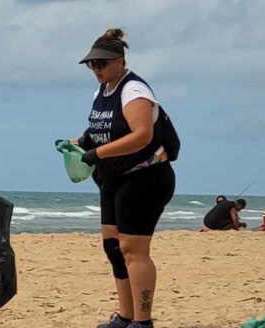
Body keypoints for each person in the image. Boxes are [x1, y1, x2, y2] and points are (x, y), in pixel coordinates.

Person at [71, 28, 176, 328]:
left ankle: (142, 321)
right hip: (112, 179)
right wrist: (79, 143)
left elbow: (142, 136)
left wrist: (98, 154)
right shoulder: (102, 91)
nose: (96, 70)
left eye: (101, 64)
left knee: (134, 250)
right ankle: (126, 315)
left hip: (145, 178)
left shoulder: (134, 91)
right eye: (92, 65)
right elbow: (102, 130)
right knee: (113, 248)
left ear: (120, 60)